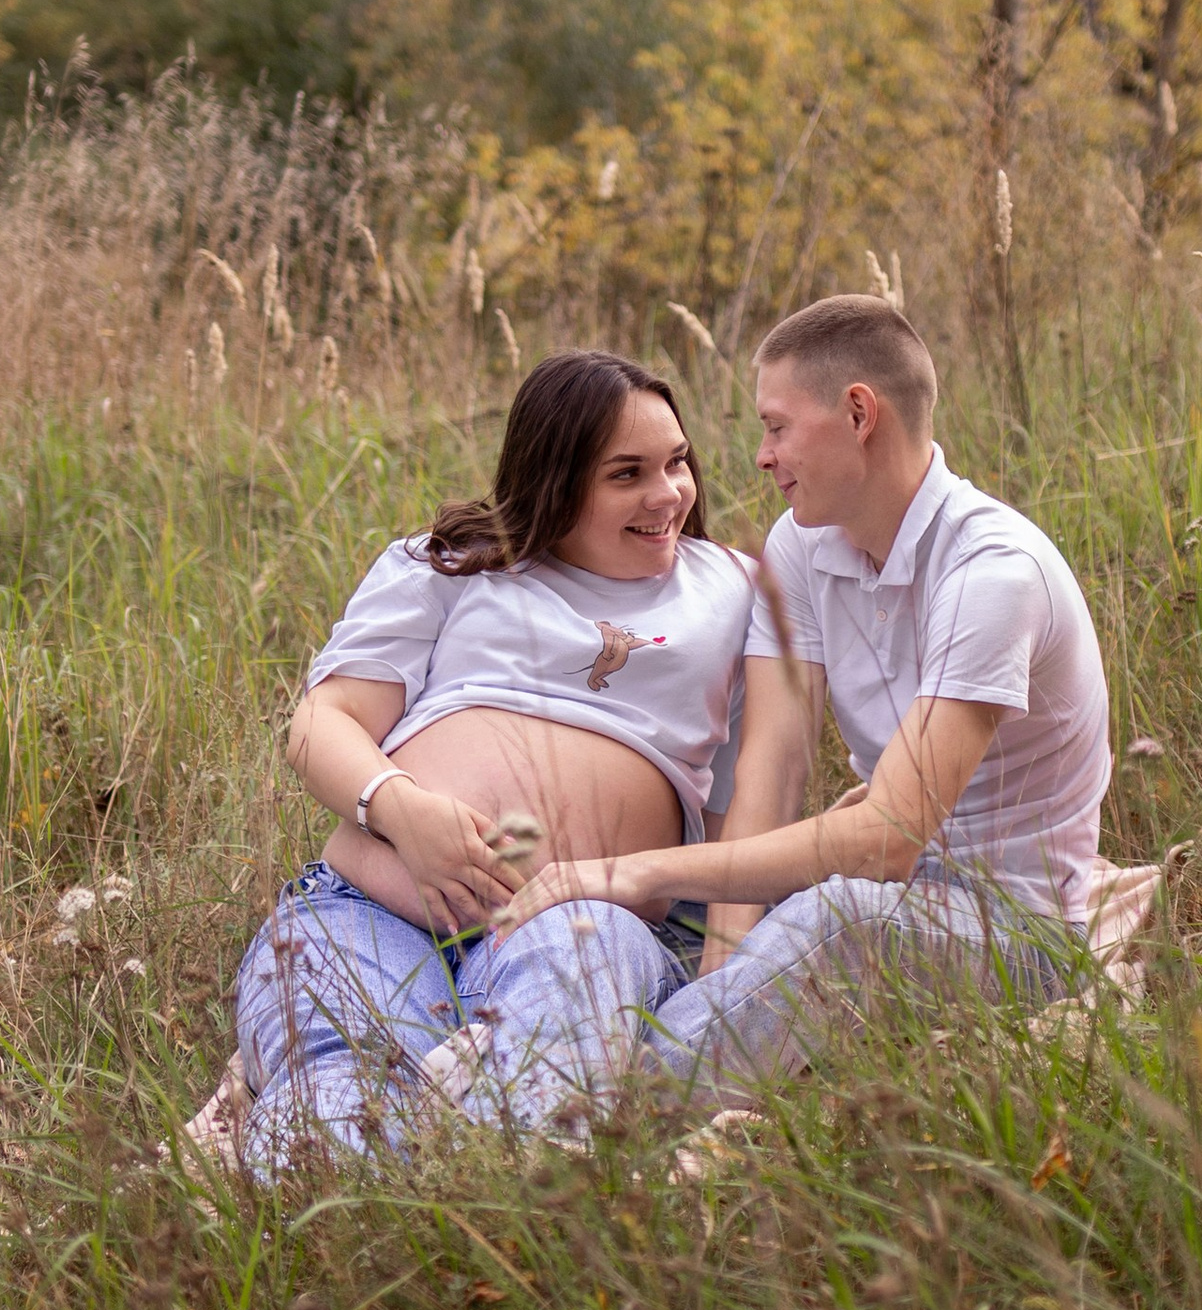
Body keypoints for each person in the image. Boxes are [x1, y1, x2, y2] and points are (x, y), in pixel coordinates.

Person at [466, 292, 1111, 1113]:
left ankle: (558, 1116)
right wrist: (723, 964)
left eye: (776, 426)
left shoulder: (992, 573)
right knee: (736, 931)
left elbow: (888, 841)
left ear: (857, 413)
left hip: (1011, 937)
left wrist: (628, 872)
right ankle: (542, 1080)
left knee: (838, 918)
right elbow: (771, 769)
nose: (761, 456)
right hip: (886, 904)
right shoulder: (802, 546)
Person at [220, 350, 753, 1165]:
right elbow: (320, 723)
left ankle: (475, 1214)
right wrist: (405, 811)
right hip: (369, 906)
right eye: (627, 474)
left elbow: (745, 806)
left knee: (540, 1094)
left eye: (678, 462)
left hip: (582, 921)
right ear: (556, 479)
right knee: (327, 1121)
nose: (668, 493)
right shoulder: (448, 563)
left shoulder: (735, 592)